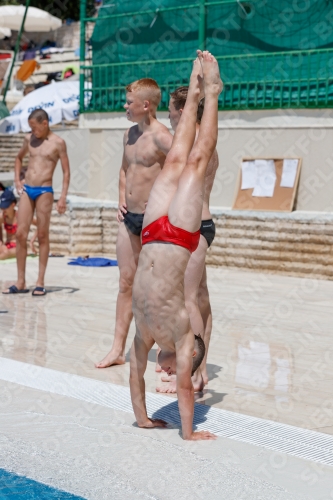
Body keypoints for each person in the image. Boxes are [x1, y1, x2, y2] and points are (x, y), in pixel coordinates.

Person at [130, 50, 222, 440]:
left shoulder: (147, 334)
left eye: (167, 370)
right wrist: (188, 432)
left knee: (176, 162)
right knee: (193, 161)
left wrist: (144, 418)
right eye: (172, 367)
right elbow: (185, 389)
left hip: (152, 233)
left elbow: (134, 376)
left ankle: (200, 91)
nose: (163, 370)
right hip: (179, 236)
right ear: (190, 353)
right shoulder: (184, 336)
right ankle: (209, 92)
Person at [95, 78, 173, 368]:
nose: (124, 106)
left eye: (129, 102)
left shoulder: (163, 137)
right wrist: (120, 198)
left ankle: (166, 351)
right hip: (129, 218)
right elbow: (124, 170)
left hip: (155, 221)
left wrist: (165, 207)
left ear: (146, 105)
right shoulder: (128, 134)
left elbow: (181, 172)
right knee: (126, 282)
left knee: (156, 288)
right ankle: (117, 349)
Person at [156, 86, 219, 393]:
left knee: (188, 300)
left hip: (191, 231)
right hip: (201, 225)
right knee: (201, 297)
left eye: (169, 110)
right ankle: (202, 367)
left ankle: (190, 372)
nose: (167, 116)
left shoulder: (190, 143)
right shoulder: (205, 139)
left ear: (181, 111)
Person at [2, 109, 70, 296]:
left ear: (45, 123)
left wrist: (63, 196)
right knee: (21, 234)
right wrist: (17, 180)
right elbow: (18, 158)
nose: (32, 131)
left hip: (44, 191)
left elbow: (66, 171)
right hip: (27, 189)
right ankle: (21, 281)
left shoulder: (58, 143)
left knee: (42, 234)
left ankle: (40, 281)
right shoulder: (28, 139)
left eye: (35, 127)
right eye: (30, 127)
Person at [0, 188, 37, 262]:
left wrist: (32, 241)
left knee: (6, 253)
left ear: (13, 204)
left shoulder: (21, 216)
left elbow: (41, 225)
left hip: (19, 246)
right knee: (5, 251)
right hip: (7, 245)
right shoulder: (2, 217)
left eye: (5, 206)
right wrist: (0, 241)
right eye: (2, 207)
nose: (3, 209)